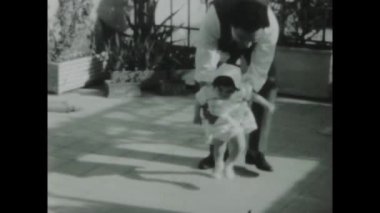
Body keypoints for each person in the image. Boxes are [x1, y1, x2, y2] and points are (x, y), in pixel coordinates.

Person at [194, 0, 279, 171]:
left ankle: (256, 152)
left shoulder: (270, 28)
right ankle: (217, 152)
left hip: (257, 51)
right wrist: (211, 95)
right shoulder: (215, 17)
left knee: (269, 82)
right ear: (232, 25)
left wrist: (245, 93)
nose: (246, 44)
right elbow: (205, 59)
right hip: (223, 45)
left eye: (251, 39)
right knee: (216, 89)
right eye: (243, 38)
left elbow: (259, 68)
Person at [194, 64, 275, 179]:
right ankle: (218, 164)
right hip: (218, 121)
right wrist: (196, 115)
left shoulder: (242, 90)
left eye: (230, 91)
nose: (224, 94)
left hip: (236, 121)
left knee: (240, 146)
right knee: (219, 145)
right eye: (221, 90)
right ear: (215, 86)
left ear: (237, 87)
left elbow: (254, 96)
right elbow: (198, 101)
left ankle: (229, 164)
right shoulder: (208, 91)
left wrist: (267, 104)